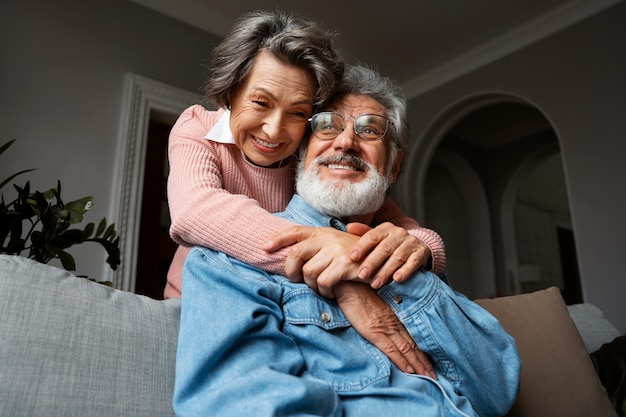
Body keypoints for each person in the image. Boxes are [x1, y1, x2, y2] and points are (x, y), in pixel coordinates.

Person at [174, 65, 521, 417]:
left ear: (395, 167)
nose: (345, 142)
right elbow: (244, 404)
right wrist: (343, 268)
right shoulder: (227, 261)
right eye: (327, 125)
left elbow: (498, 391)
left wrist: (414, 267)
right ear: (300, 153)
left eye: (369, 130)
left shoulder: (406, 256)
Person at [165, 9, 447, 303]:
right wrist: (334, 254)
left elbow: (404, 228)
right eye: (261, 102)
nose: (274, 131)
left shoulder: (311, 152)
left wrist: (426, 249)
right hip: (194, 299)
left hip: (275, 297)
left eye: (298, 113)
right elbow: (195, 212)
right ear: (230, 92)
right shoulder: (198, 126)